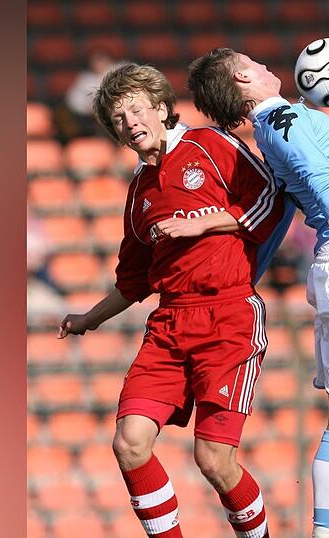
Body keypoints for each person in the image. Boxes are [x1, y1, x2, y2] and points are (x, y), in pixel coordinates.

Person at [187, 48, 329, 538]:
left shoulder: (279, 128)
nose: (271, 68)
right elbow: (321, 180)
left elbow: (281, 212)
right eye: (257, 64)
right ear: (243, 76)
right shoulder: (283, 119)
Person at [58, 62, 288, 538]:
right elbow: (133, 280)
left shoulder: (209, 144)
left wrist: (200, 222)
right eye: (119, 119)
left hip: (228, 316)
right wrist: (89, 319)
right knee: (130, 443)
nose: (130, 123)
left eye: (136, 109)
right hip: (169, 325)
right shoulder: (140, 190)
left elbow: (269, 199)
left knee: (214, 460)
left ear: (162, 108)